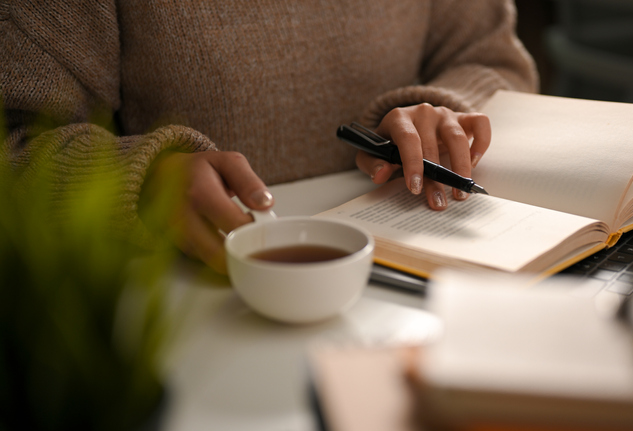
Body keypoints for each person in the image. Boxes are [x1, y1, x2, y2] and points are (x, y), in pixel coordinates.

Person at [0, 0, 538, 274]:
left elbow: (493, 59)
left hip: (412, 297)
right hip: (183, 305)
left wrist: (443, 111)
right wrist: (141, 180)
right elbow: (14, 138)